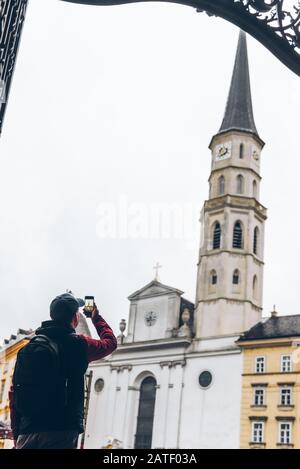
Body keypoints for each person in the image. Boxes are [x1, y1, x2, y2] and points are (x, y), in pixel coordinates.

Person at [9, 292, 117, 449]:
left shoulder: (27, 348)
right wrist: (95, 317)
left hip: (27, 432)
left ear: (52, 315)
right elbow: (110, 343)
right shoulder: (79, 344)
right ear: (75, 318)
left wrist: (17, 434)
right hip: (60, 431)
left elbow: (14, 394)